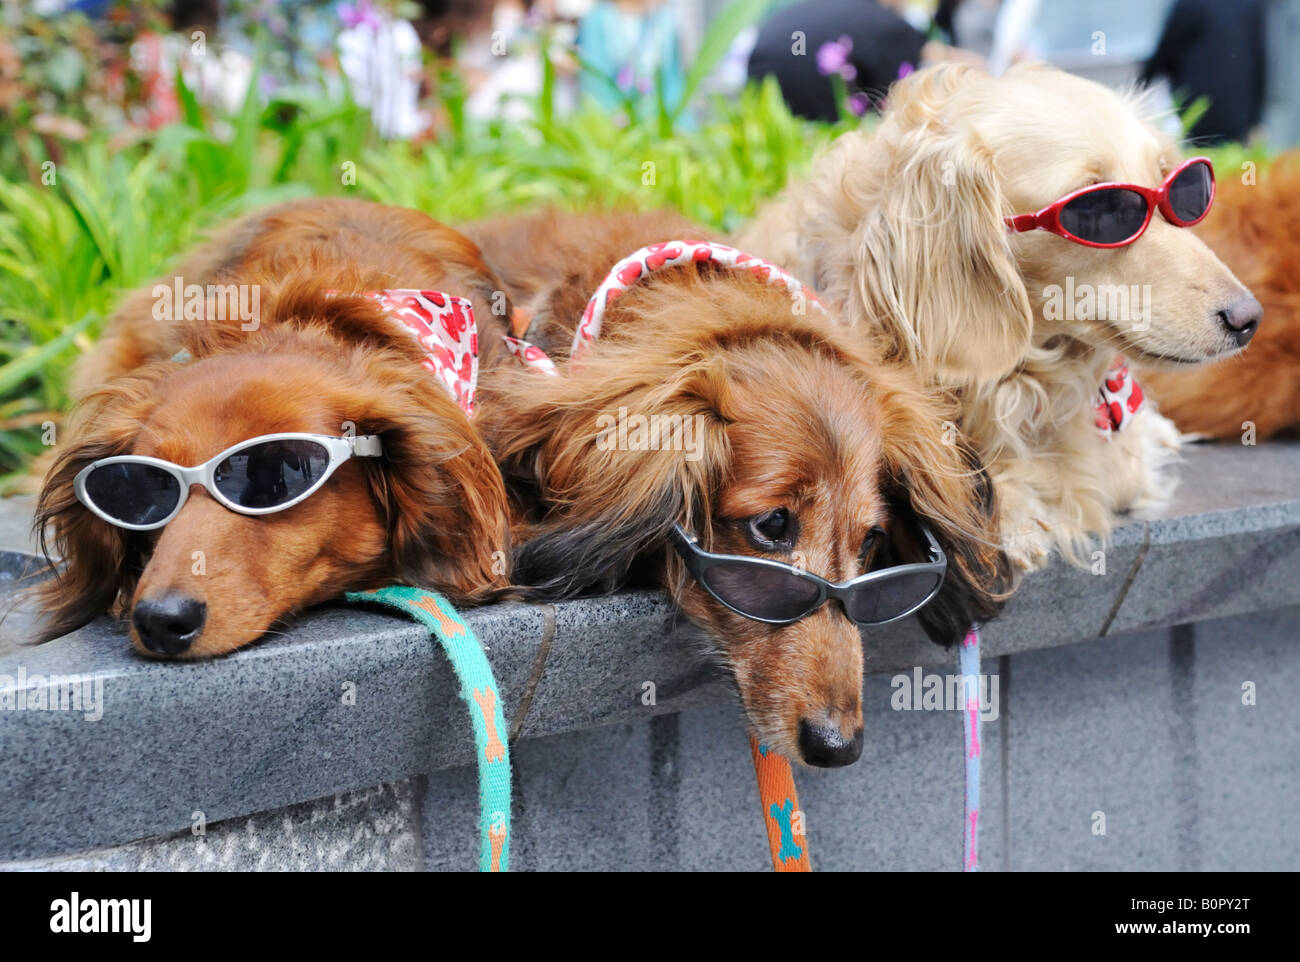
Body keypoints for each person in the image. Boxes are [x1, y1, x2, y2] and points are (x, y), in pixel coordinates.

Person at [747, 0, 927, 121]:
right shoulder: (887, 23)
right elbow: (899, 95)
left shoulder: (803, 9)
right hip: (826, 114)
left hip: (761, 101)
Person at [1140, 0, 1267, 145]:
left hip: (1198, 114)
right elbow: (1259, 57)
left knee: (1198, 160)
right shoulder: (1252, 4)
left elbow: (1166, 51)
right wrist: (1257, 117)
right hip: (1239, 116)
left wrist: (1140, 86)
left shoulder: (1190, 4)